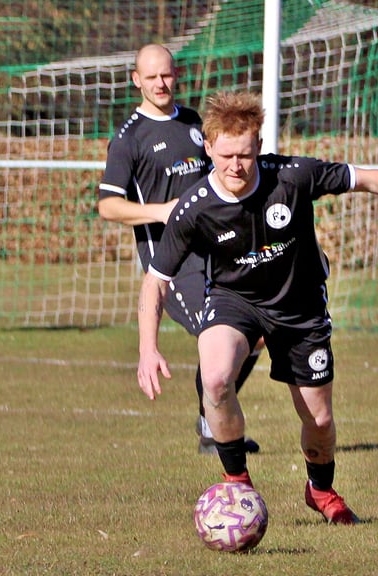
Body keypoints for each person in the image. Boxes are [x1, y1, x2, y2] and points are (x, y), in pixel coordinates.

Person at [136, 91, 378, 525]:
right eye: (226, 155)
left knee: (320, 420)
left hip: (300, 306)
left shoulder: (291, 175)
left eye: (246, 155)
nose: (236, 165)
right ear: (208, 147)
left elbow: (365, 179)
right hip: (236, 303)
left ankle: (320, 491)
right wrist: (147, 347)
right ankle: (237, 484)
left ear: (259, 145)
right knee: (214, 379)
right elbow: (155, 282)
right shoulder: (194, 208)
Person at [98, 44, 261, 455]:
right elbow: (108, 205)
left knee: (255, 332)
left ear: (177, 74)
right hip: (174, 264)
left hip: (217, 250)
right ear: (137, 80)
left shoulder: (193, 123)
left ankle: (210, 413)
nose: (160, 84)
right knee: (215, 337)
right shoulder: (128, 139)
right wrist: (162, 211)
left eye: (166, 75)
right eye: (151, 77)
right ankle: (212, 424)